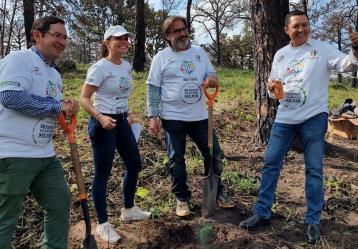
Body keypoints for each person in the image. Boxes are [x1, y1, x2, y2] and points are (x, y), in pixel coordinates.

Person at [239, 10, 358, 244]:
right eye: (296, 26)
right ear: (287, 30)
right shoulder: (281, 55)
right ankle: (262, 212)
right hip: (285, 118)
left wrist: (355, 48)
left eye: (305, 25)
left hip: (313, 118)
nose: (302, 29)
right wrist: (270, 87)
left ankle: (313, 220)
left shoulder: (322, 49)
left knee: (313, 170)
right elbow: (273, 89)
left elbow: (349, 66)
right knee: (271, 163)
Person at [0, 16, 79, 249]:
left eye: (65, 37)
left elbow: (47, 107)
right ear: (37, 35)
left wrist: (65, 108)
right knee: (5, 219)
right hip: (14, 153)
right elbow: (10, 97)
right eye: (56, 35)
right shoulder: (19, 59)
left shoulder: (54, 74)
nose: (62, 41)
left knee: (59, 203)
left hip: (45, 154)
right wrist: (56, 106)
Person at [146, 16, 236, 217]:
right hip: (172, 117)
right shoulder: (161, 57)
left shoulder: (199, 53)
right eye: (176, 31)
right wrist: (153, 116)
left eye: (184, 29)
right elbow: (153, 89)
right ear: (168, 36)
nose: (182, 33)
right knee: (176, 159)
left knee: (214, 153)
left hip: (200, 116)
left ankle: (216, 191)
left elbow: (211, 74)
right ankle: (182, 198)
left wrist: (211, 79)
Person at [80, 25, 151, 244]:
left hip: (121, 122)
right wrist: (100, 117)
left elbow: (121, 93)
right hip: (103, 124)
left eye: (126, 39)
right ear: (107, 42)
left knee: (134, 164)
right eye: (118, 39)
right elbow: (83, 99)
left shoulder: (127, 66)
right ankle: (102, 224)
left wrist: (127, 112)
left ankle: (128, 209)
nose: (124, 42)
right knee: (102, 173)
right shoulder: (99, 67)